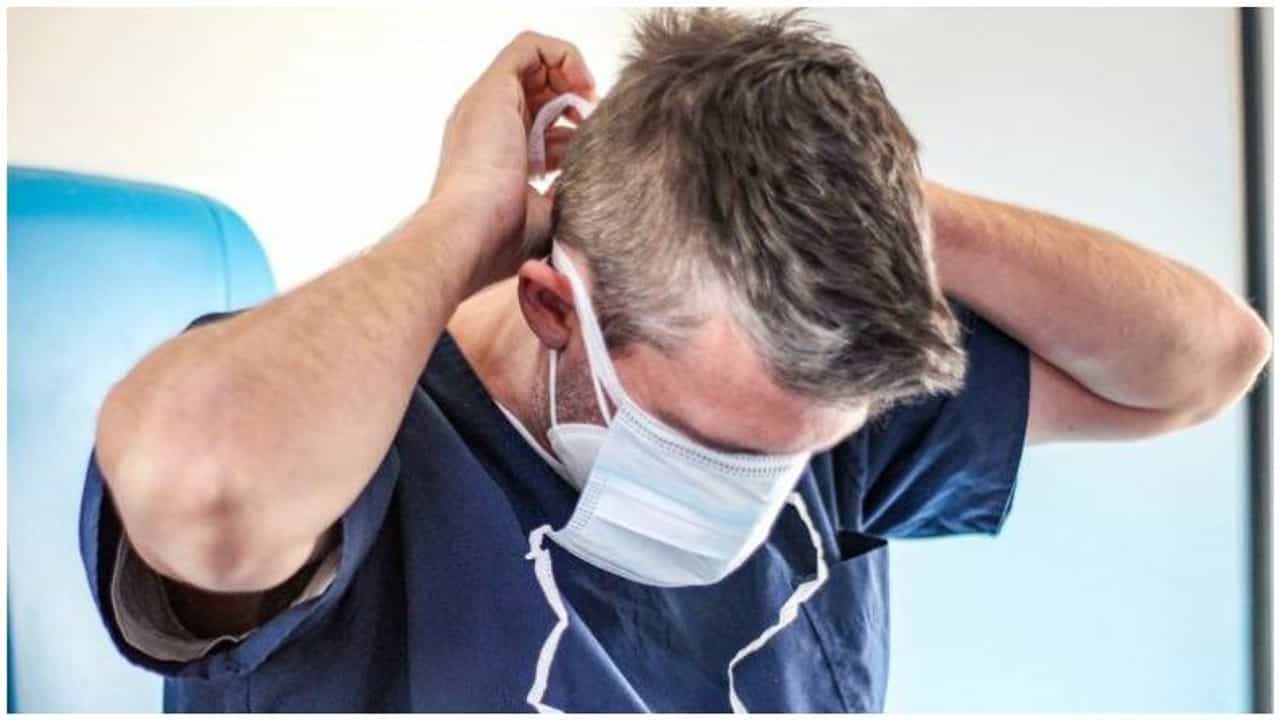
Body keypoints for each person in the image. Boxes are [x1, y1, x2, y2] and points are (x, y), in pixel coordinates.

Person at [83, 9, 1271, 713]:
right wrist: (464, 217)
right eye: (712, 446)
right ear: (553, 309)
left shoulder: (807, 390)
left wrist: (883, 206)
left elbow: (1206, 362)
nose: (761, 495)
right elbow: (201, 484)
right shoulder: (354, 459)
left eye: (796, 455)